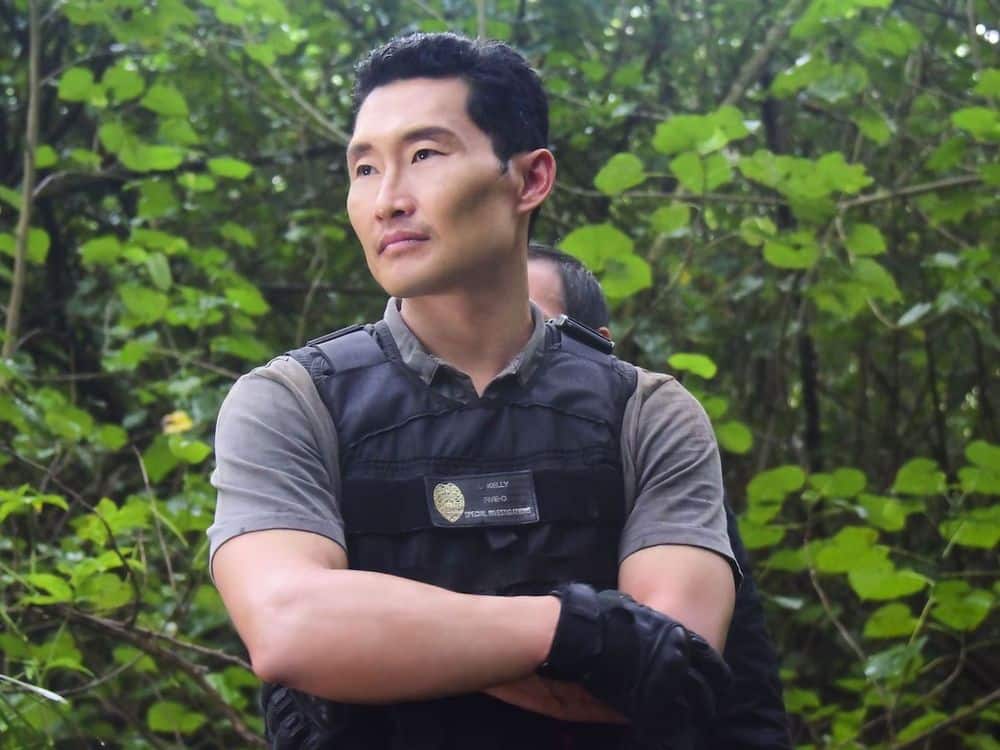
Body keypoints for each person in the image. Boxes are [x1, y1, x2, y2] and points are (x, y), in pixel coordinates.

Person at [208, 32, 739, 749]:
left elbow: (673, 667)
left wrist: (379, 635)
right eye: (364, 168)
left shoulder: (649, 414)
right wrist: (577, 631)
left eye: (425, 155)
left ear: (530, 179)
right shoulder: (289, 403)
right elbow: (291, 628)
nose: (387, 200)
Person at [526, 244, 792, 750]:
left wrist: (428, 642)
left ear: (599, 344)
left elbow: (707, 675)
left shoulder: (653, 456)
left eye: (533, 326)